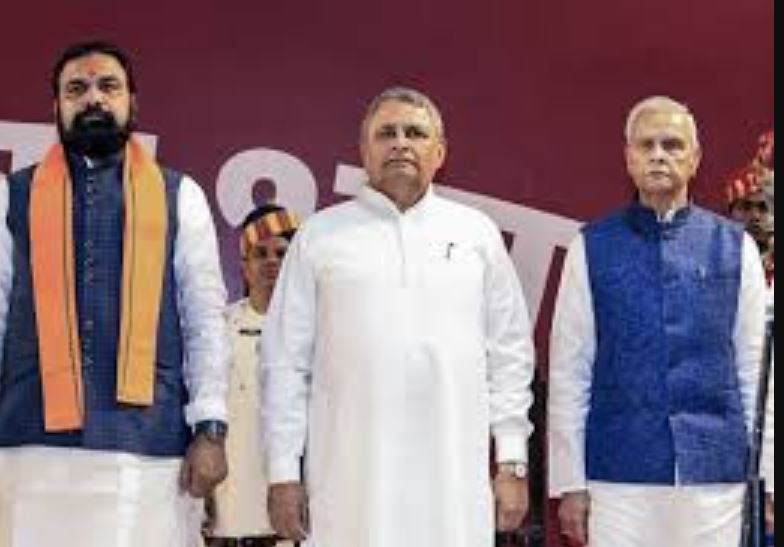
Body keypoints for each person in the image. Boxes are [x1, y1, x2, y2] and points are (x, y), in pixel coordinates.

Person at [260, 87, 535, 547]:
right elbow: (284, 362)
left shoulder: (476, 233)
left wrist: (512, 460)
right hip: (350, 484)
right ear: (363, 151)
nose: (401, 143)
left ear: (440, 152)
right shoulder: (320, 236)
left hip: (452, 483)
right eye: (386, 133)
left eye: (415, 133)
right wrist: (283, 471)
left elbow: (510, 355)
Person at [0, 41, 229, 547]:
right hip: (28, 446)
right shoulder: (10, 196)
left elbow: (204, 320)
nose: (93, 99)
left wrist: (210, 428)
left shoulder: (179, 194)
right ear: (55, 107)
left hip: (147, 446)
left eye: (108, 86)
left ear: (132, 103)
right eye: (76, 89)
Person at [548, 96, 768, 547]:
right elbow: (570, 370)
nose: (659, 155)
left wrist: (766, 474)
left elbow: (757, 369)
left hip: (715, 480)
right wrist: (570, 482)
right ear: (628, 158)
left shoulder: (735, 247)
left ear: (695, 158)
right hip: (617, 477)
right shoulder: (591, 246)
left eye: (672, 145)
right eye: (646, 145)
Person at [206, 204, 299, 547]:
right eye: (260, 253)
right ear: (244, 267)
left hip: (293, 524)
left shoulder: (316, 334)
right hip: (225, 522)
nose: (272, 261)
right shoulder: (216, 329)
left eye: (282, 254)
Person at [725, 129, 775, 538]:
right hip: (729, 460)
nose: (755, 216)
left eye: (765, 206)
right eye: (745, 206)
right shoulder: (715, 276)